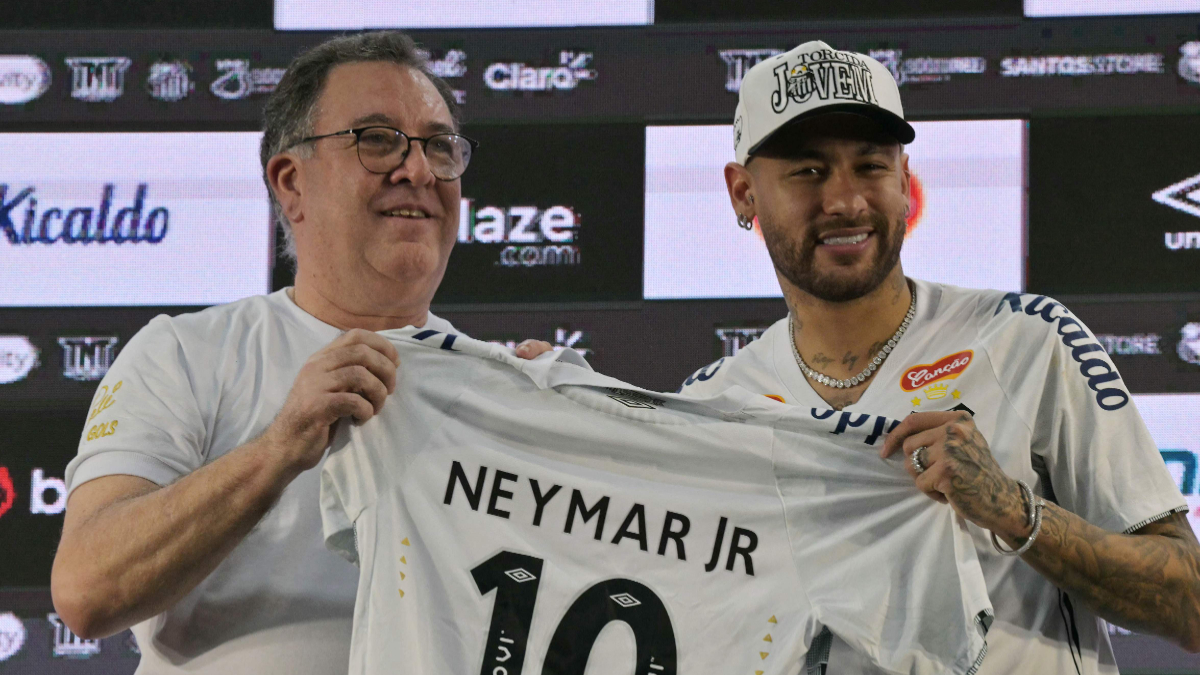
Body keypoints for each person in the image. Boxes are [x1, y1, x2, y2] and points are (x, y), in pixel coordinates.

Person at [678, 40, 1200, 674]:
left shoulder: (1025, 339)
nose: (846, 201)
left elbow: (1191, 604)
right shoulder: (709, 409)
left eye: (870, 166)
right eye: (809, 171)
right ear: (743, 193)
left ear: (904, 182)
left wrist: (1017, 512)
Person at [50, 31, 553, 674]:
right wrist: (280, 448)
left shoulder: (503, 390)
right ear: (291, 184)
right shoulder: (186, 354)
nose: (420, 171)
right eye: (378, 140)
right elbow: (87, 590)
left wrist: (564, 444)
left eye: (438, 146)